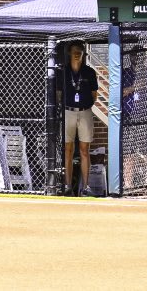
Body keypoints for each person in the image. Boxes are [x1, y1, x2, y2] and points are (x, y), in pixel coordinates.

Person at [52, 41, 103, 196]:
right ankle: (68, 186)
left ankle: (86, 187)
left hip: (85, 111)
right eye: (74, 51)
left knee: (84, 150)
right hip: (68, 112)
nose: (77, 54)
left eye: (79, 51)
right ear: (69, 53)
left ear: (83, 54)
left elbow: (94, 95)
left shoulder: (89, 72)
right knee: (67, 149)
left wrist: (84, 105)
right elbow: (58, 94)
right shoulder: (63, 72)